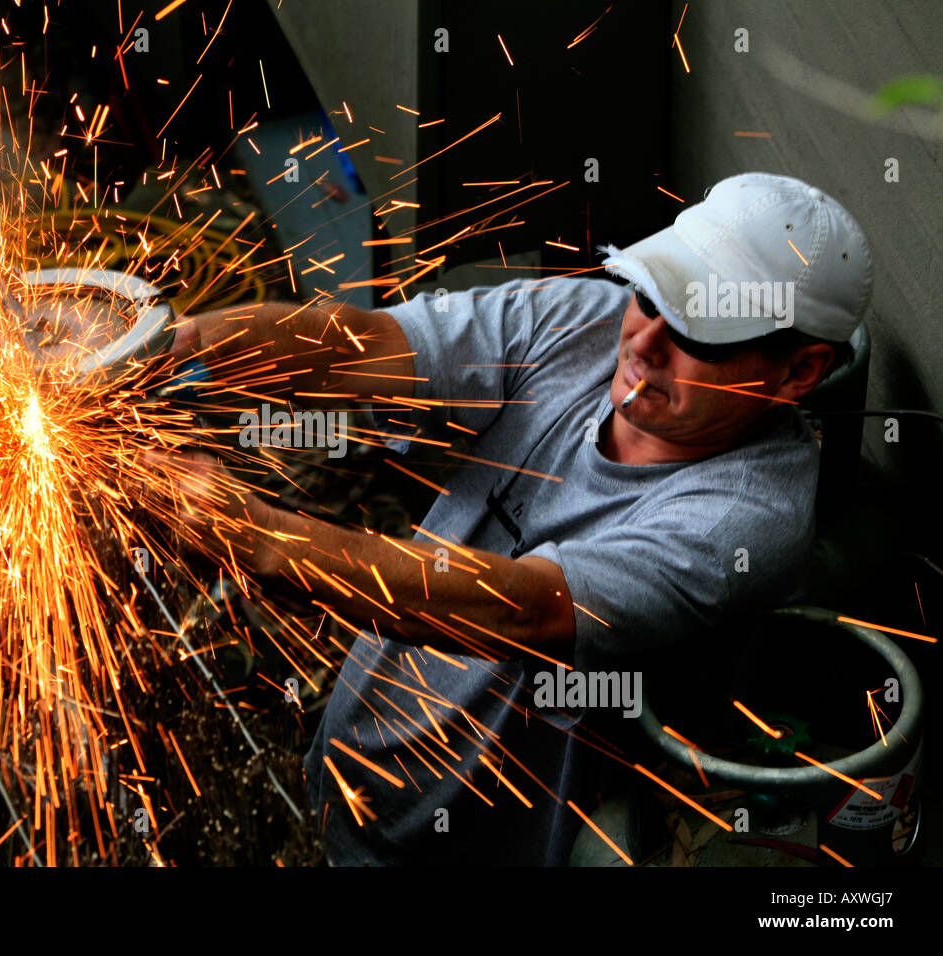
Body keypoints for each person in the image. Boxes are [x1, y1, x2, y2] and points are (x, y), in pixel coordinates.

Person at [157, 172, 872, 865]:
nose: (645, 343)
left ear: (799, 371)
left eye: (700, 334)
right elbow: (359, 348)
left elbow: (515, 610)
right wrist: (167, 353)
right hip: (355, 769)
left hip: (471, 841)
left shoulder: (745, 518)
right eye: (650, 297)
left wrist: (248, 534)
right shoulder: (583, 325)